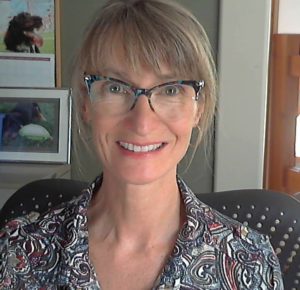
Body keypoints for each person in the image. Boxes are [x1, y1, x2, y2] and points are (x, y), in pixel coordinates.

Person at [0, 0, 284, 289]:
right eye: (115, 87)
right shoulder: (18, 251)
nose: (142, 123)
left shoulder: (249, 262)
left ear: (198, 108)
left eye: (171, 89)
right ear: (86, 103)